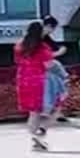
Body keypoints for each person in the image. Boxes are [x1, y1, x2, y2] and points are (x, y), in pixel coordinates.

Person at [16, 22, 59, 151]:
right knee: (56, 106)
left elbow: (17, 61)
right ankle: (41, 132)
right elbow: (48, 65)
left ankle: (34, 137)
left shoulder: (19, 46)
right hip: (39, 81)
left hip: (23, 80)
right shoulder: (42, 47)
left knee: (33, 112)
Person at [40, 16, 70, 123]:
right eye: (52, 28)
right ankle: (48, 111)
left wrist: (60, 49)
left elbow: (55, 47)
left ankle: (55, 111)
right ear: (48, 26)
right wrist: (57, 53)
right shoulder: (37, 38)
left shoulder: (46, 37)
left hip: (46, 66)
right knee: (53, 86)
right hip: (42, 67)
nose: (52, 31)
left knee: (56, 86)